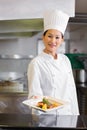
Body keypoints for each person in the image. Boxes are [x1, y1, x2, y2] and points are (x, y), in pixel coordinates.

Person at [27, 9, 79, 115]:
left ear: (62, 40)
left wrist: (75, 115)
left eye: (57, 37)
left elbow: (72, 91)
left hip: (68, 115)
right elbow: (34, 95)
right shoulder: (36, 63)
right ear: (43, 37)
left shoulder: (65, 60)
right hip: (48, 118)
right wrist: (39, 117)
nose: (53, 41)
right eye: (49, 36)